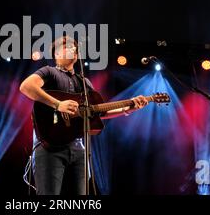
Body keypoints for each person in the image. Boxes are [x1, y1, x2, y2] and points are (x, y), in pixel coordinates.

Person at [19, 36, 149, 195]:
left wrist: (127, 108)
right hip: (49, 146)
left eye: (75, 47)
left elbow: (97, 112)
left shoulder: (84, 82)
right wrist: (58, 104)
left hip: (79, 147)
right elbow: (26, 87)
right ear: (57, 54)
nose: (73, 49)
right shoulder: (49, 72)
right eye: (67, 46)